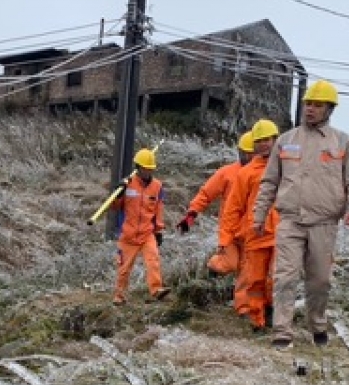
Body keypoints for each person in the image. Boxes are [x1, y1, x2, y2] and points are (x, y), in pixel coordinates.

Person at [252, 80, 349, 349]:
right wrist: (259, 217)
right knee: (285, 276)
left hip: (324, 224)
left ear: (329, 109)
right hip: (290, 221)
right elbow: (269, 182)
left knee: (320, 281)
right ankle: (282, 331)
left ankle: (317, 324)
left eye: (317, 105)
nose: (311, 109)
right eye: (308, 103)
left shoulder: (342, 142)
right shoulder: (286, 140)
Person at [176, 131, 254, 304]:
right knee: (232, 264)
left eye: (250, 153)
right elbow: (206, 194)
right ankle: (212, 266)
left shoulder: (263, 174)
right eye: (243, 152)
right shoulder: (226, 173)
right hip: (229, 231)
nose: (246, 156)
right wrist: (191, 215)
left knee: (247, 272)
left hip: (252, 232)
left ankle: (243, 308)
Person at [221, 119, 281, 331]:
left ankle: (273, 311)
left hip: (282, 234)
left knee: (277, 279)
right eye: (259, 141)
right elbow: (233, 207)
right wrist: (225, 238)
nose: (264, 144)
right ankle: (258, 322)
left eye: (268, 140)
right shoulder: (245, 174)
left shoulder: (288, 168)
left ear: (276, 140)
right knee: (254, 282)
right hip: (255, 235)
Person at [110, 147, 171, 305]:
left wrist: (158, 230)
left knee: (153, 260)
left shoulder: (157, 186)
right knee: (123, 269)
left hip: (147, 233)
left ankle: (156, 290)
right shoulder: (127, 184)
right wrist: (118, 193)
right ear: (138, 167)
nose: (148, 172)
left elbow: (158, 209)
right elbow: (115, 207)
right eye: (146, 168)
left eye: (151, 169)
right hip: (128, 235)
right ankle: (119, 296)